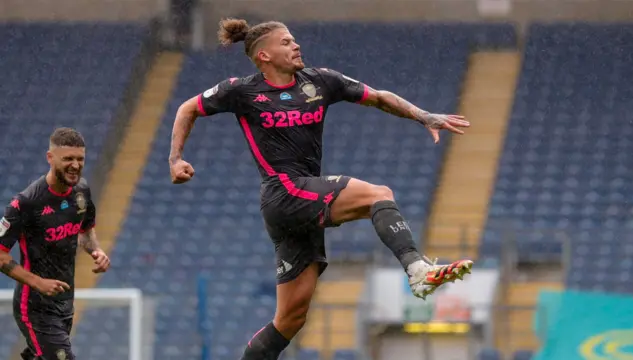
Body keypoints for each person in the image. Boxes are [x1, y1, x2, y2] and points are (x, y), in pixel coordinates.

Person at [168, 18, 473, 360]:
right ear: (264, 55)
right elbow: (188, 108)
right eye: (286, 43)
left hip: (298, 204)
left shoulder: (320, 81)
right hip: (283, 193)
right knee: (378, 194)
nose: (295, 46)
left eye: (294, 40)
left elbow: (378, 97)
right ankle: (418, 271)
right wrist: (175, 158)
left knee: (289, 320)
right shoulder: (241, 90)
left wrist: (424, 116)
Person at [0, 127, 111, 360]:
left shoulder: (81, 192)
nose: (75, 165)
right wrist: (37, 282)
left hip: (64, 303)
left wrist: (96, 250)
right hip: (35, 306)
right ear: (50, 158)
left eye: (80, 159)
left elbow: (85, 231)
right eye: (67, 159)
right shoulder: (26, 203)